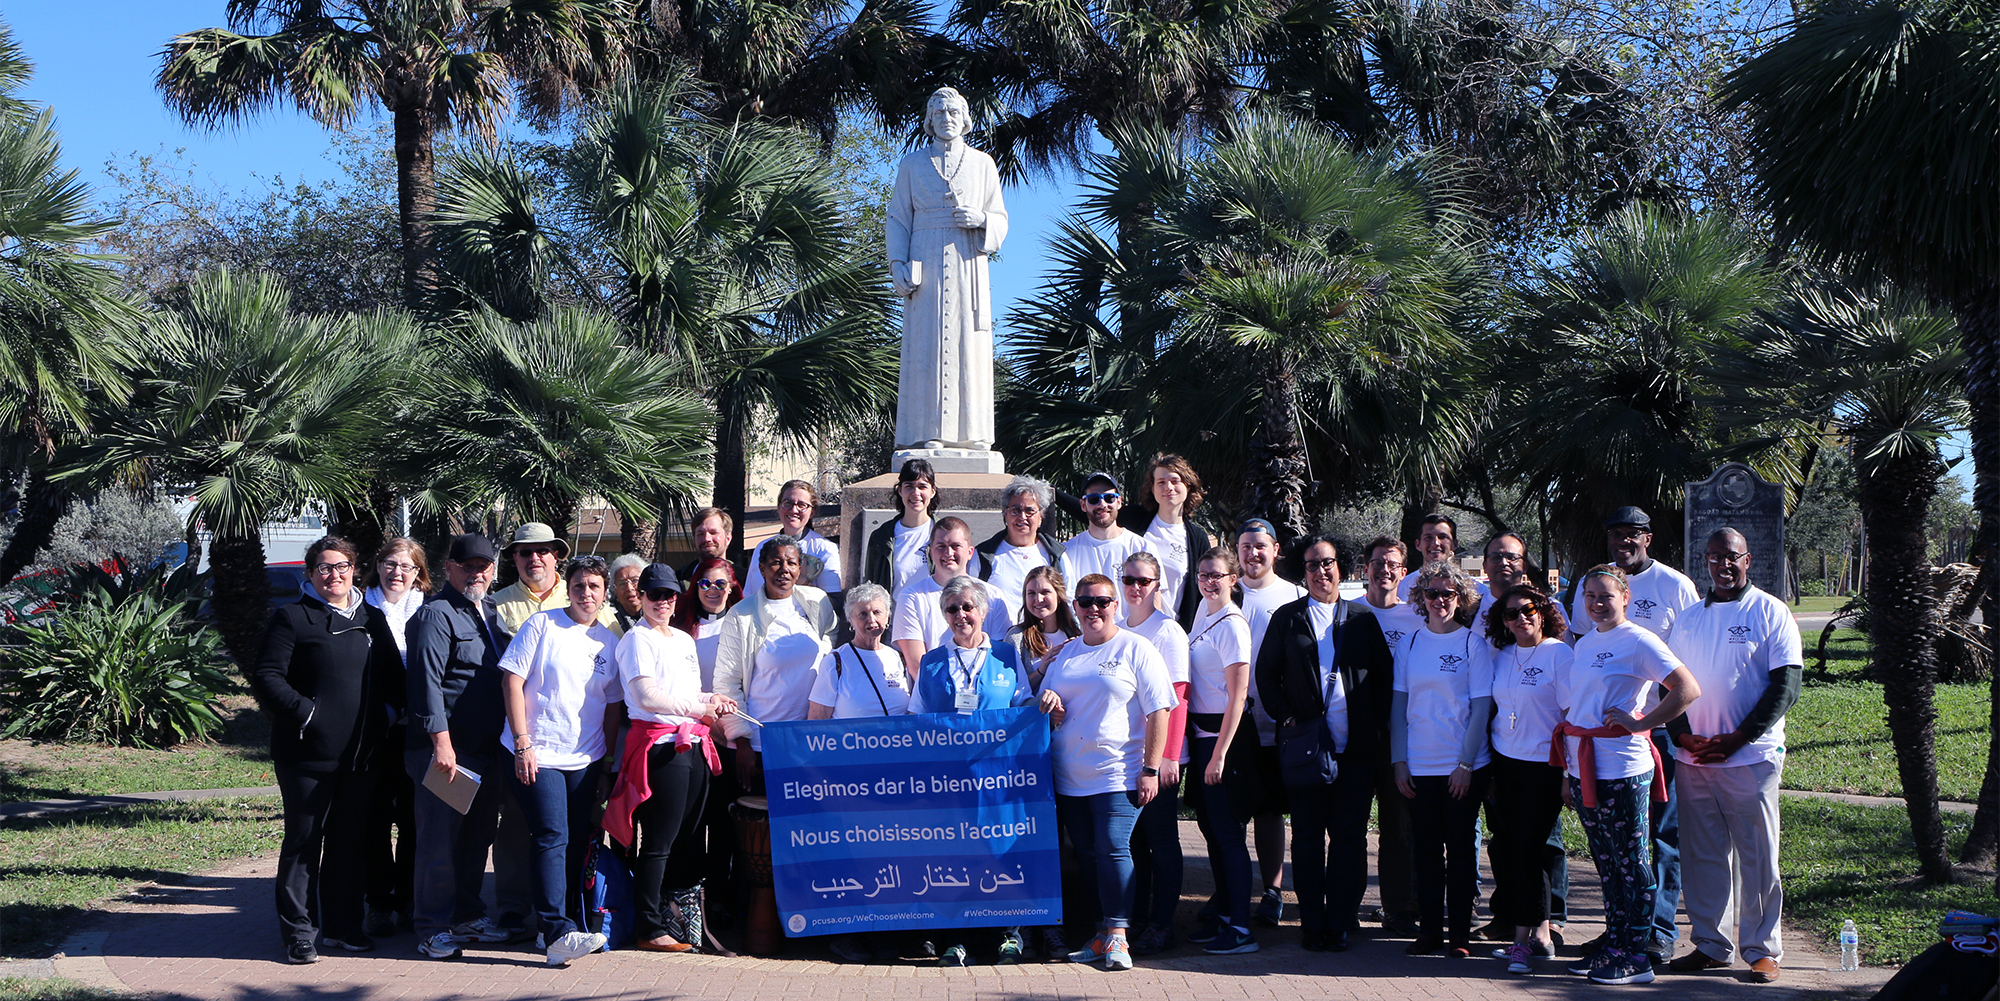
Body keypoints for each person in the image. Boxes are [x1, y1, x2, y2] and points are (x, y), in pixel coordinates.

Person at [251, 536, 404, 964]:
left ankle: (341, 927)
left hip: (359, 757)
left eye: (341, 566)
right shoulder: (292, 618)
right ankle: (299, 933)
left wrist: (385, 718)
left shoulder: (372, 619)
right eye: (323, 568)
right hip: (305, 756)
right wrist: (308, 714)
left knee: (348, 843)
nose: (333, 575)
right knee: (303, 842)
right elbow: (267, 676)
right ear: (311, 574)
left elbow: (394, 677)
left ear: (355, 569)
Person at [1664, 529, 1800, 985]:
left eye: (1731, 557)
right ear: (1706, 563)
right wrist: (1683, 738)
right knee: (1703, 855)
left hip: (1750, 758)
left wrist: (1737, 739)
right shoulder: (1686, 619)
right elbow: (1669, 689)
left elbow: (1786, 687)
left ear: (1748, 560)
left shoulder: (1770, 611)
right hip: (1695, 759)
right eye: (1714, 558)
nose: (1723, 565)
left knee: (1758, 856)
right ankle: (1710, 944)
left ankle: (1762, 950)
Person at [1557, 564, 1702, 986]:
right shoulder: (1585, 644)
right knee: (1606, 861)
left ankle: (1637, 955)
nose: (1598, 604)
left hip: (1623, 767)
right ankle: (1614, 942)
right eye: (1590, 597)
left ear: (1626, 598)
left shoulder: (1640, 641)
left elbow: (1686, 688)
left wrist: (1643, 722)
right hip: (1585, 764)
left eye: (1606, 596)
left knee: (1632, 862)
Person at [1256, 535, 1394, 954]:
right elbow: (1266, 676)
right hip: (1307, 750)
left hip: (1355, 752)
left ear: (1342, 568)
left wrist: (1373, 728)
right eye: (1313, 565)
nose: (1321, 571)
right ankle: (1312, 922)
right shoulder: (1288, 618)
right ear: (1304, 572)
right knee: (1309, 837)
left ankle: (1340, 923)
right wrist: (1288, 715)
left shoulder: (1362, 619)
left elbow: (1385, 680)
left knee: (1350, 837)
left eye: (1328, 563)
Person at [1036, 574, 1177, 972]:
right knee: (1088, 855)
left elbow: (1160, 710)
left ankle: (1119, 936)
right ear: (1075, 607)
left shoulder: (1137, 648)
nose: (1093, 609)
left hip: (1119, 773)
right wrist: (1049, 704)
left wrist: (1150, 768)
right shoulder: (1066, 654)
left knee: (1114, 848)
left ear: (1115, 605)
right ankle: (1101, 935)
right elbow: (1043, 705)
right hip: (1068, 777)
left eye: (1102, 601)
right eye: (1085, 602)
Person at [608, 564, 740, 954]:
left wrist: (711, 700)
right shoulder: (635, 640)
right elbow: (647, 696)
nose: (662, 602)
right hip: (661, 746)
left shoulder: (683, 640)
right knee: (659, 842)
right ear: (641, 598)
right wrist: (696, 709)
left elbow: (690, 691)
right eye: (654, 595)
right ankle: (648, 925)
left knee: (688, 841)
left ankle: (680, 921)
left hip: (695, 744)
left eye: (668, 595)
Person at [499, 556, 622, 967]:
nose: (586, 594)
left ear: (605, 594)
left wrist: (605, 766)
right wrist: (522, 743)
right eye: (579, 586)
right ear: (566, 588)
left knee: (573, 842)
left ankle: (560, 926)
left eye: (594, 587)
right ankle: (556, 932)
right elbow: (512, 680)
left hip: (586, 759)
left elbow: (611, 709)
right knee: (551, 837)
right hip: (539, 753)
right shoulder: (542, 625)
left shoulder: (611, 642)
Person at [907, 575, 1035, 966]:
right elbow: (916, 721)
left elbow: (1024, 706)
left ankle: (1008, 936)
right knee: (954, 856)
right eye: (952, 609)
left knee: (1001, 852)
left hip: (1000, 778)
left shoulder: (1006, 655)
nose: (961, 615)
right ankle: (955, 938)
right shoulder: (931, 662)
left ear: (982, 611)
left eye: (968, 607)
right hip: (949, 781)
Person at [403, 534, 509, 960]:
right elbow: (426, 683)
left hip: (485, 749)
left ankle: (467, 915)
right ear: (449, 568)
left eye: (484, 565)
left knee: (475, 838)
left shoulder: (490, 610)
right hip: (448, 751)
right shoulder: (436, 615)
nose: (477, 573)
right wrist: (441, 744)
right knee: (439, 842)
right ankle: (431, 927)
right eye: (468, 566)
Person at [887, 84, 1007, 452]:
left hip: (968, 260)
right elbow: (897, 218)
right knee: (925, 346)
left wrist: (981, 219)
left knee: (968, 346)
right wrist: (897, 264)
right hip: (925, 264)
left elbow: (1001, 218)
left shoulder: (983, 163)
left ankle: (972, 436)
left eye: (953, 113)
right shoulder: (911, 164)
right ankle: (926, 434)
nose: (947, 119)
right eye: (939, 114)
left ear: (966, 119)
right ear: (929, 120)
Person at [1392, 562, 1494, 959]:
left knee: (1462, 852)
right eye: (1432, 594)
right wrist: (1400, 760)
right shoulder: (1411, 643)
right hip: (1419, 765)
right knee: (1427, 851)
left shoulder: (1472, 644)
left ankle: (1460, 937)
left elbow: (1481, 709)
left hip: (1462, 769)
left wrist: (1465, 764)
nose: (1439, 601)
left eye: (1447, 594)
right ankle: (1430, 932)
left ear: (1461, 599)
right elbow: (1399, 707)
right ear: (1421, 598)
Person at [1483, 585, 1574, 975]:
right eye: (1510, 613)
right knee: (1511, 849)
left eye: (1528, 610)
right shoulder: (1501, 655)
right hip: (1505, 764)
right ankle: (1539, 934)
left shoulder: (1559, 654)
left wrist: (1570, 774)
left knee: (1528, 850)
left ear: (1543, 612)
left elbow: (1573, 718)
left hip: (1545, 766)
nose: (1520, 618)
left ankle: (1525, 942)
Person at [1179, 547, 1260, 954]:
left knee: (1228, 836)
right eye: (1203, 575)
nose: (1209, 582)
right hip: (1200, 735)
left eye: (1217, 575)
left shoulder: (1232, 625)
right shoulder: (1202, 614)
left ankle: (1242, 929)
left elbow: (1238, 696)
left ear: (1233, 579)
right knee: (1211, 832)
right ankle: (1227, 913)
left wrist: (1219, 754)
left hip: (1224, 741)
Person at [714, 535, 838, 794]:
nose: (784, 569)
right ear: (761, 568)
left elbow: (831, 636)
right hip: (762, 743)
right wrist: (743, 743)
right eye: (775, 562)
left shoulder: (817, 602)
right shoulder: (741, 615)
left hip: (807, 741)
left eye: (791, 563)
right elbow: (727, 683)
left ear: (800, 567)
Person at [667, 554, 746, 928]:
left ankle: (722, 898)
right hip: (692, 732)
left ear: (732, 587)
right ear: (694, 587)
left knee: (726, 823)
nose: (713, 591)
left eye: (720, 584)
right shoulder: (680, 628)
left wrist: (726, 725)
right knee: (694, 822)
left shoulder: (744, 622)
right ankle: (690, 901)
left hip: (730, 736)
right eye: (705, 584)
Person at [1119, 553, 1190, 956]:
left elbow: (1177, 697)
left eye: (1144, 581)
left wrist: (1168, 756)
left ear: (1157, 585)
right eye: (1129, 579)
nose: (1135, 587)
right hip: (1129, 754)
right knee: (1137, 845)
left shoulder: (1168, 631)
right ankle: (1142, 920)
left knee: (1162, 843)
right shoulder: (1124, 627)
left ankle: (1163, 924)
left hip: (1158, 755)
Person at [1235, 518, 1304, 925]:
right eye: (1245, 546)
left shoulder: (1294, 594)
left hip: (1279, 723)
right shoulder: (1222, 589)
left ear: (1276, 550)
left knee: (1271, 811)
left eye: (1260, 546)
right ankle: (1230, 892)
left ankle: (1272, 891)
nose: (1253, 553)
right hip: (1230, 724)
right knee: (1231, 812)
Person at [361, 538, 429, 939]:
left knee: (413, 821)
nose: (397, 572)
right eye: (389, 563)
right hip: (373, 733)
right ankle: (378, 904)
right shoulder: (361, 607)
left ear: (418, 571)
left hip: (418, 734)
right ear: (378, 565)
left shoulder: (430, 610)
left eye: (406, 565)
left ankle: (408, 899)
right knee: (374, 821)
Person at [1355, 536, 1423, 938]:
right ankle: (1347, 905)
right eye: (1377, 562)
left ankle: (1397, 908)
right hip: (1356, 735)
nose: (1385, 569)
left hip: (1402, 738)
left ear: (1403, 571)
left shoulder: (1415, 618)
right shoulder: (1347, 613)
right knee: (1350, 826)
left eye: (1393, 564)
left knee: (1398, 828)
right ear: (1366, 568)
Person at [891, 516, 1008, 671]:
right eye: (941, 546)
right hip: (933, 690)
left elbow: (999, 656)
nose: (948, 553)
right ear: (931, 553)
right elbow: (917, 665)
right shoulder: (911, 597)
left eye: (955, 546)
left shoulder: (993, 596)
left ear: (970, 552)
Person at [976, 474, 1072, 627]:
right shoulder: (983, 555)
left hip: (1046, 642)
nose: (1022, 517)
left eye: (1030, 511)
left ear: (1041, 517)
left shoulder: (1056, 555)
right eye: (1015, 510)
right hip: (999, 643)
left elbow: (1070, 600)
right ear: (1005, 514)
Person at [808, 583, 911, 721]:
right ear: (851, 620)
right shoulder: (835, 662)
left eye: (877, 612)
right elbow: (817, 720)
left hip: (896, 740)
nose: (871, 620)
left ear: (887, 618)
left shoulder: (898, 658)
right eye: (863, 614)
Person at [1063, 472, 1147, 618]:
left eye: (1109, 498)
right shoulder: (1067, 552)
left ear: (1119, 502)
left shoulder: (1142, 547)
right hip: (1086, 638)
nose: (1102, 504)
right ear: (1083, 505)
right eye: (1094, 499)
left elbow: (1154, 598)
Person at [747, 480, 843, 596]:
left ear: (811, 512)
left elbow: (835, 604)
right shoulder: (762, 547)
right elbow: (749, 595)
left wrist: (804, 583)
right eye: (788, 503)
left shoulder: (825, 549)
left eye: (802, 505)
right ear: (779, 507)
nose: (793, 510)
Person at [863, 459, 940, 594]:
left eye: (922, 486)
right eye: (909, 486)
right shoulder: (881, 538)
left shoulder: (945, 534)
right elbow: (871, 588)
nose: (916, 493)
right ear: (900, 490)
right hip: (896, 613)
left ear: (932, 491)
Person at [1008, 564, 1079, 691]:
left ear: (1058, 595)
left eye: (1045, 592)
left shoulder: (1075, 632)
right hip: (1036, 709)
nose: (1038, 599)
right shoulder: (1016, 637)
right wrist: (1042, 668)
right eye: (1031, 593)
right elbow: (1011, 689)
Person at [1397, 514, 1489, 604]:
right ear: (1418, 544)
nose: (1436, 543)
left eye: (1443, 537)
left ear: (1455, 544)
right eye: (1428, 537)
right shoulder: (1401, 588)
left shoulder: (1477, 590)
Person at [679, 507, 736, 584]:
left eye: (713, 533)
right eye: (700, 534)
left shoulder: (745, 580)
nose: (706, 539)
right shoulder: (678, 580)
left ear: (728, 538)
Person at [610, 554, 648, 631]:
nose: (629, 588)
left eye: (634, 580)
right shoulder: (610, 626)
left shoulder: (661, 618)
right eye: (621, 583)